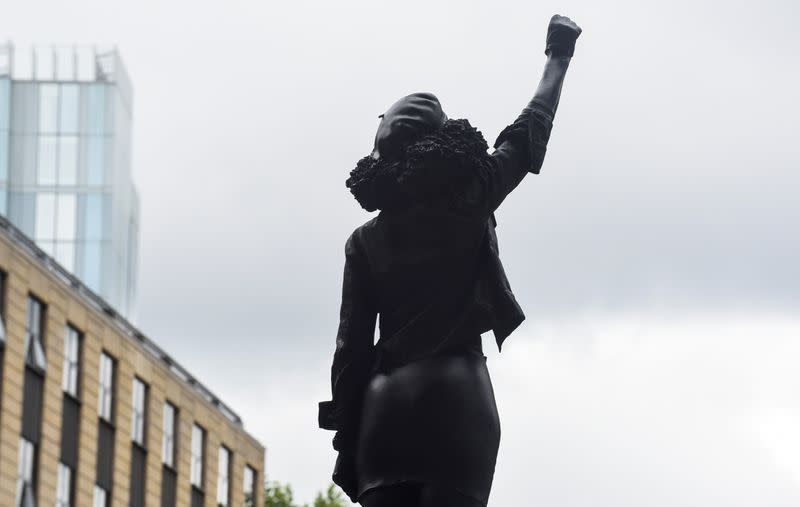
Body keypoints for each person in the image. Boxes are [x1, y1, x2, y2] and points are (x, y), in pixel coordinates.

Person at [318, 14, 582, 507]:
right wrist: (557, 59)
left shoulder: (364, 242)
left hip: (385, 409)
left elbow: (349, 352)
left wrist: (345, 432)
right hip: (457, 399)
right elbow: (527, 134)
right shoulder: (474, 197)